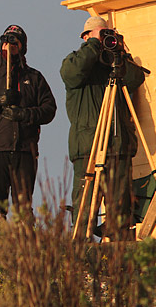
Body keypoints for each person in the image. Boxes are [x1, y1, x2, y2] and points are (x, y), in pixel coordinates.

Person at [60, 16, 145, 237]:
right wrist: (95, 45)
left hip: (118, 144)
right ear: (86, 37)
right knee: (85, 205)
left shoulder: (115, 64)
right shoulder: (75, 62)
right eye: (100, 34)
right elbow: (72, 74)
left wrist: (119, 53)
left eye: (107, 34)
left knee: (120, 208)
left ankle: (119, 251)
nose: (105, 39)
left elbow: (136, 78)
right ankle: (81, 249)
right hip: (89, 145)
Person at [0, 25, 57, 220]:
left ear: (22, 47)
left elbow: (49, 110)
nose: (8, 47)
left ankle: (25, 246)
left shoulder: (34, 78)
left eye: (14, 43)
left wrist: (24, 114)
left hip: (24, 151)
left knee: (23, 209)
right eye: (5, 42)